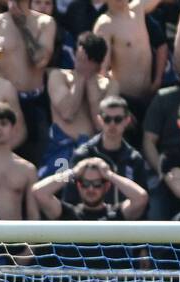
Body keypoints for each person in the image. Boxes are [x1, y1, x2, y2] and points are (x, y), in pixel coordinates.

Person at [0, 0, 55, 161]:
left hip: (34, 102)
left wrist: (22, 26)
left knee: (36, 160)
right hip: (2, 104)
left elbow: (40, 60)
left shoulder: (44, 23)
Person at [43, 31, 115, 176]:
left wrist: (90, 83)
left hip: (93, 151)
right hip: (61, 150)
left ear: (97, 63)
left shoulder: (110, 85)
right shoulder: (58, 76)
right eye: (78, 57)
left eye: (85, 60)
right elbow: (67, 113)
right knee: (58, 189)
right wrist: (80, 79)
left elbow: (99, 123)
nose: (79, 63)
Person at [93, 0, 167, 122]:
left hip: (150, 95)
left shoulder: (138, 8)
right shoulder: (105, 25)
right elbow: (101, 73)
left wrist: (158, 80)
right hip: (126, 100)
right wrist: (117, 107)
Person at [65, 95, 145, 207]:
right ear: (100, 120)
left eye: (117, 119)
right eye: (107, 119)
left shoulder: (134, 158)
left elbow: (143, 202)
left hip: (123, 220)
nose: (112, 124)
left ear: (127, 121)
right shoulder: (83, 155)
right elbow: (69, 198)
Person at [33, 152, 146, 218]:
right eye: (85, 184)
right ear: (78, 185)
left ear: (106, 186)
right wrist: (74, 172)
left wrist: (109, 175)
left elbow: (141, 198)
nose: (90, 189)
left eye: (97, 184)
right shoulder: (69, 214)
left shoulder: (115, 215)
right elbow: (38, 191)